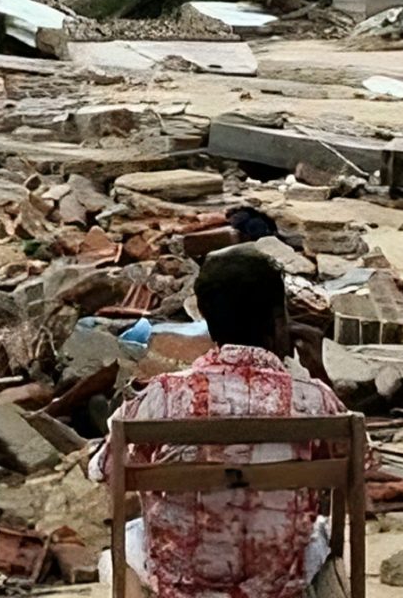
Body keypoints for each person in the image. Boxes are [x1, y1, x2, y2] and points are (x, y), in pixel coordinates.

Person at [90, 250, 349, 598]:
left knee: (120, 548)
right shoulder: (314, 398)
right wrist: (318, 373)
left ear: (207, 319)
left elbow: (104, 469)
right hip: (278, 581)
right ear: (279, 320)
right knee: (320, 534)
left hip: (184, 582)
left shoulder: (163, 395)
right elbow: (356, 464)